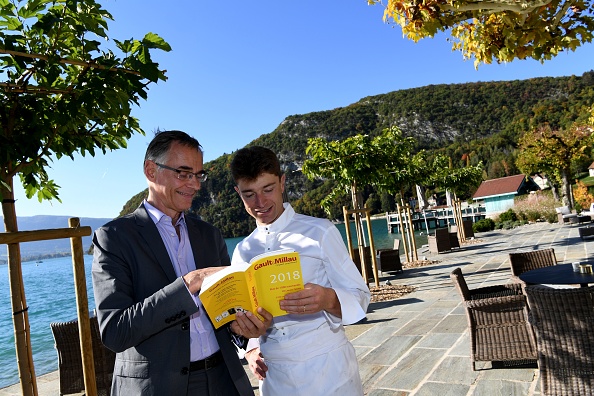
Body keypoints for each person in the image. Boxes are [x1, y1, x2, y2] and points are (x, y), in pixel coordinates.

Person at [92, 130, 271, 396]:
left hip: (224, 380)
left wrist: (247, 333)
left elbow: (228, 313)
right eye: (183, 173)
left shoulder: (209, 235)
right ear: (151, 171)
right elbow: (115, 331)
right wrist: (188, 284)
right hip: (157, 387)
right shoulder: (113, 238)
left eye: (198, 175)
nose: (195, 185)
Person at [229, 146, 371, 395]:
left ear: (282, 183)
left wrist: (327, 298)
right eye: (249, 194)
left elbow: (360, 296)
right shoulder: (242, 250)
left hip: (328, 370)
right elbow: (243, 311)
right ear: (238, 193)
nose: (260, 203)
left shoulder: (320, 231)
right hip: (274, 376)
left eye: (268, 189)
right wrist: (251, 348)